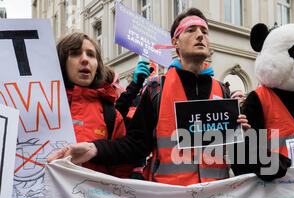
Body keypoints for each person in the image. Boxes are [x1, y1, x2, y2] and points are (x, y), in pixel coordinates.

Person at [48, 8, 250, 187]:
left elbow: (237, 159)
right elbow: (135, 146)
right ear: (175, 42)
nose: (200, 36)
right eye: (191, 30)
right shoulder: (157, 90)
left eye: (204, 31)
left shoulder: (223, 91)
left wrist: (243, 138)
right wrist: (94, 148)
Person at [17, 32, 133, 198]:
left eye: (91, 54)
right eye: (75, 53)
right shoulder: (31, 102)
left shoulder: (111, 114)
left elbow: (121, 171)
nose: (85, 60)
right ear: (61, 60)